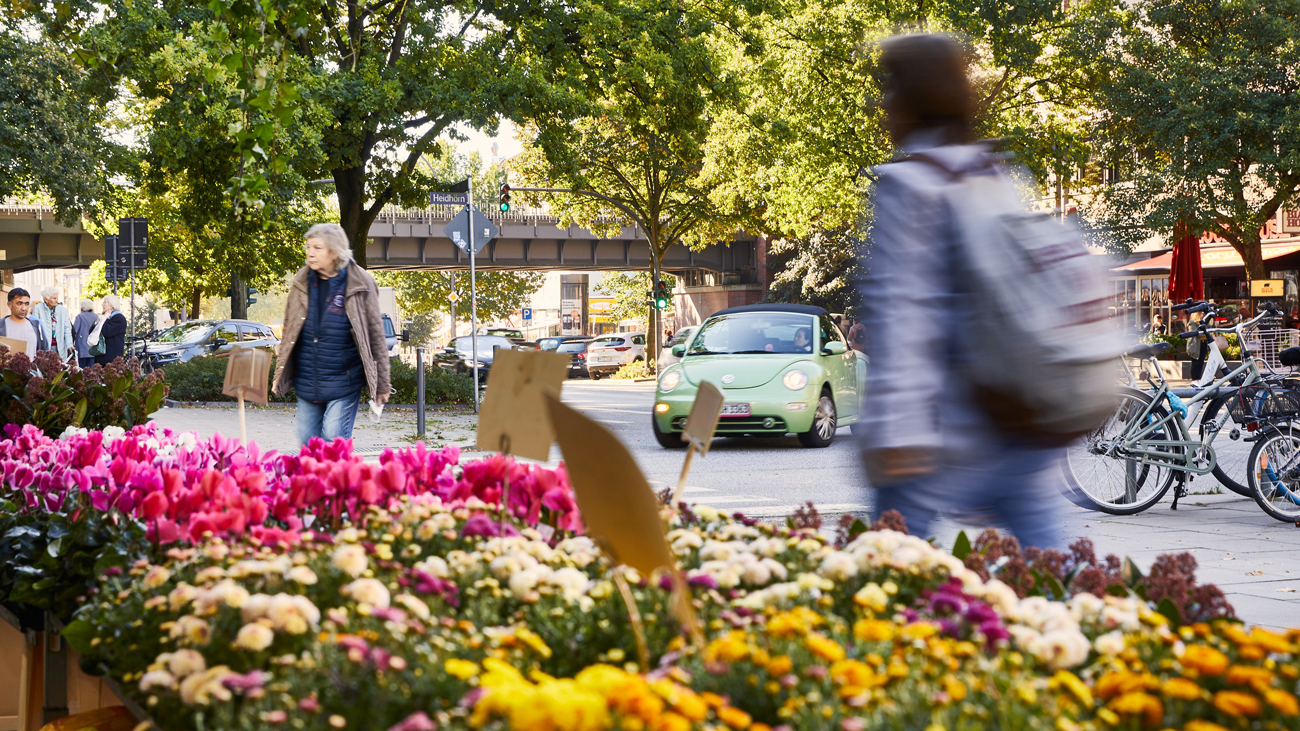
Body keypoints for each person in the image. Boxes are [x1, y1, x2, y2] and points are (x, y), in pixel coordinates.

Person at [858, 33, 1063, 549]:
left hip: (942, 428)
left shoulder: (909, 186)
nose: (881, 105)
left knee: (884, 575)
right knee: (1054, 575)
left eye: (887, 89)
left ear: (909, 97)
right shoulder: (995, 171)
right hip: (1018, 411)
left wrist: (895, 433)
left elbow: (906, 312)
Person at [273, 223, 391, 445]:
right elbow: (289, 327)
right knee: (308, 445)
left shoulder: (360, 282)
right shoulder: (301, 281)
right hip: (308, 382)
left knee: (332, 442)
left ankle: (340, 480)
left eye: (317, 248)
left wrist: (382, 384)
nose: (310, 253)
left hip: (344, 383)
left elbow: (375, 335)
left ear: (335, 252)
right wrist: (280, 372)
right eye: (308, 247)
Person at [0, 288, 48, 356]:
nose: (24, 308)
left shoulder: (36, 326)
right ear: (10, 305)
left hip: (32, 366)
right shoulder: (1, 326)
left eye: (27, 304)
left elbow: (45, 350)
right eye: (19, 303)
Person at [33, 287, 74, 361]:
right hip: (44, 346)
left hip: (60, 346)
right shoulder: (37, 308)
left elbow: (67, 328)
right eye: (54, 298)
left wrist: (69, 344)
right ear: (46, 299)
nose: (57, 301)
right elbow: (35, 329)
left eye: (57, 298)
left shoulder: (62, 310)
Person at [94, 294, 128, 365]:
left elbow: (106, 331)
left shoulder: (119, 318)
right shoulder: (105, 317)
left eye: (105, 302)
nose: (102, 304)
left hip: (111, 359)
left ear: (112, 305)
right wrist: (98, 321)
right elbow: (92, 332)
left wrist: (103, 319)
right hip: (101, 357)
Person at [72, 299, 98, 368]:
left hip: (82, 348)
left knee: (82, 370)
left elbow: (74, 331)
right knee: (91, 372)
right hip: (94, 349)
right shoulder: (97, 317)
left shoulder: (80, 316)